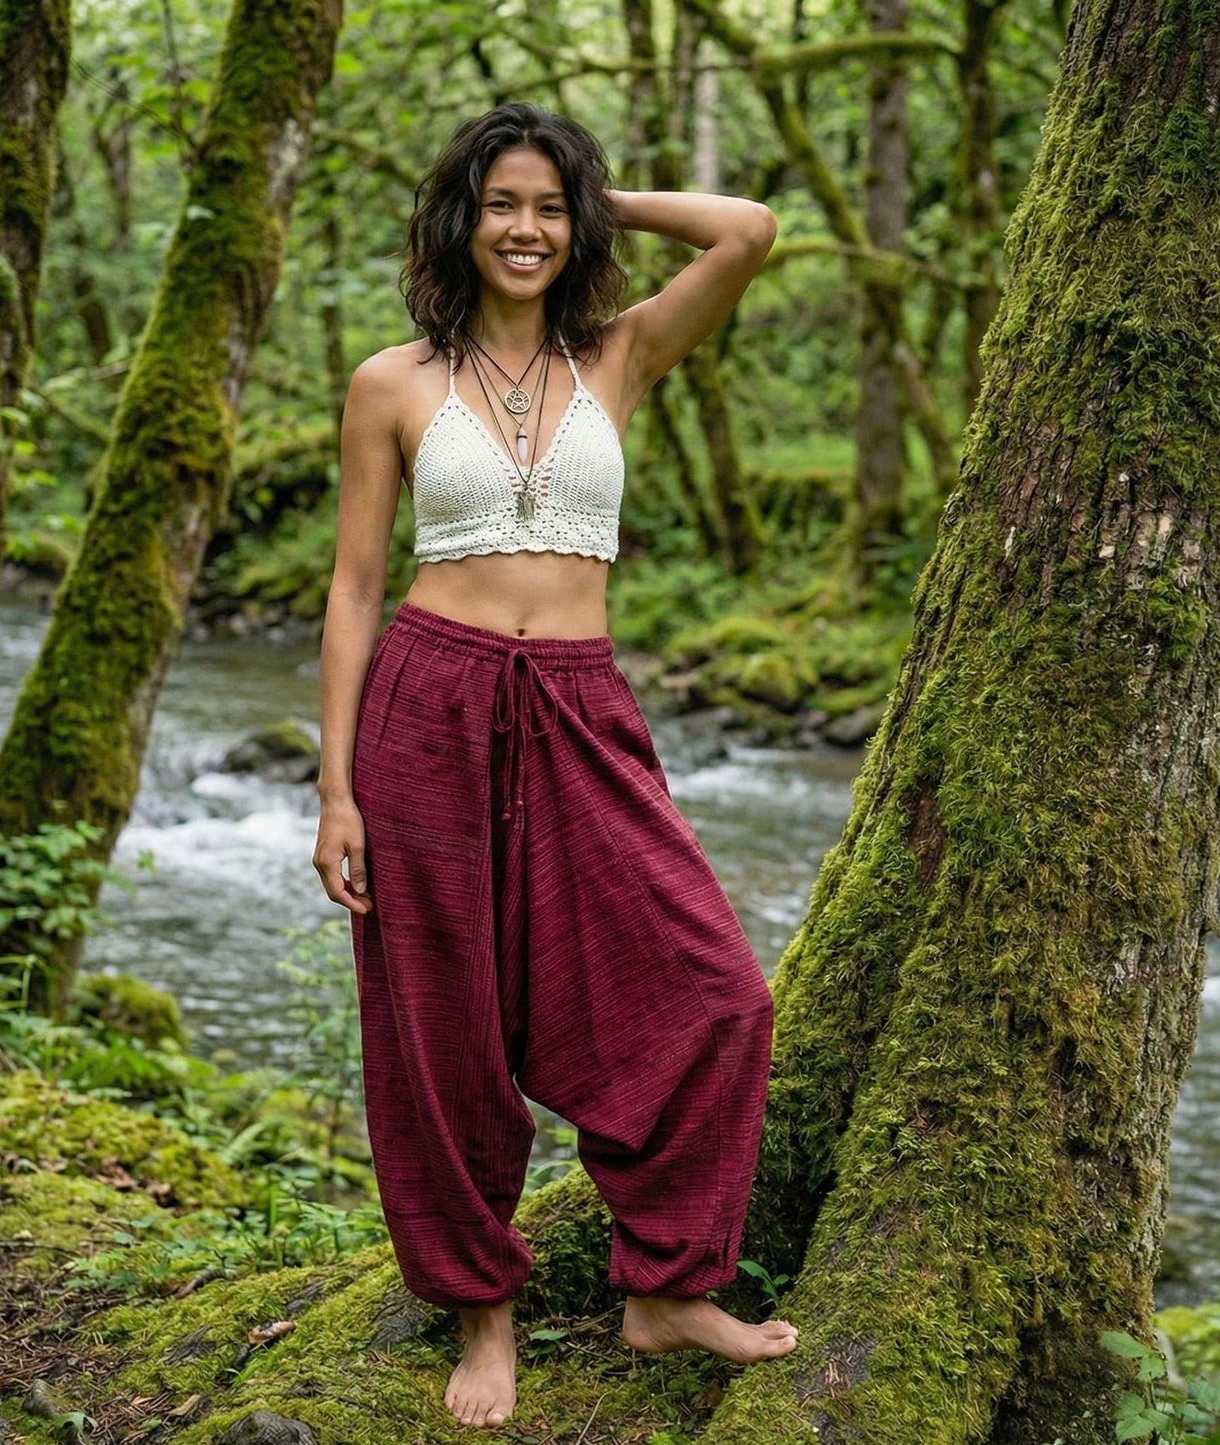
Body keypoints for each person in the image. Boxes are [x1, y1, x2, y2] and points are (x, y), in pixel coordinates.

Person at [313, 101, 796, 1430]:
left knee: (715, 992)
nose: (523, 230)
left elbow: (748, 230)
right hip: (427, 701)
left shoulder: (619, 354)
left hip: (581, 702)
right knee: (443, 1019)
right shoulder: (392, 382)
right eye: (499, 205)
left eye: (545, 208)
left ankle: (666, 1287)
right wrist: (337, 789)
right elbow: (353, 589)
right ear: (458, 221)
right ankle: (483, 1312)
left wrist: (596, 191)